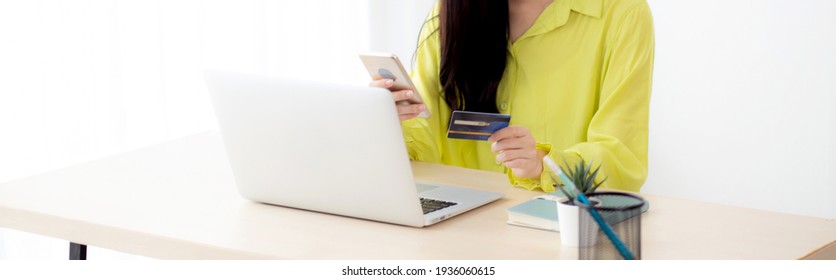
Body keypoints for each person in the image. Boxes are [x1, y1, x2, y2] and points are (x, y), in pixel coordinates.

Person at [370, 0, 654, 193]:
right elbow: (424, 136)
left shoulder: (621, 13)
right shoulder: (452, 10)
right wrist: (387, 121)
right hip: (458, 222)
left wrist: (546, 163)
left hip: (559, 225)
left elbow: (622, 157)